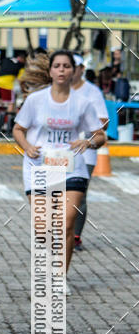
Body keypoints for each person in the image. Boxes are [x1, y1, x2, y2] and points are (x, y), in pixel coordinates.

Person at [12, 49, 107, 285]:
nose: (62, 70)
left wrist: (88, 141)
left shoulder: (83, 103)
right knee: (43, 228)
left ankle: (59, 277)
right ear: (51, 70)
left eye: (67, 66)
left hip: (72, 167)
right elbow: (18, 129)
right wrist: (27, 146)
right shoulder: (35, 100)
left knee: (66, 224)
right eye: (58, 66)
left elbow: (101, 135)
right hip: (40, 167)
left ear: (74, 71)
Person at [71, 54, 109, 250]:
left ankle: (75, 235)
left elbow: (104, 121)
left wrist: (85, 128)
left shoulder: (91, 92)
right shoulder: (57, 90)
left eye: (73, 67)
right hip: (61, 152)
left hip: (86, 151)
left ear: (81, 70)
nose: (69, 70)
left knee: (80, 194)